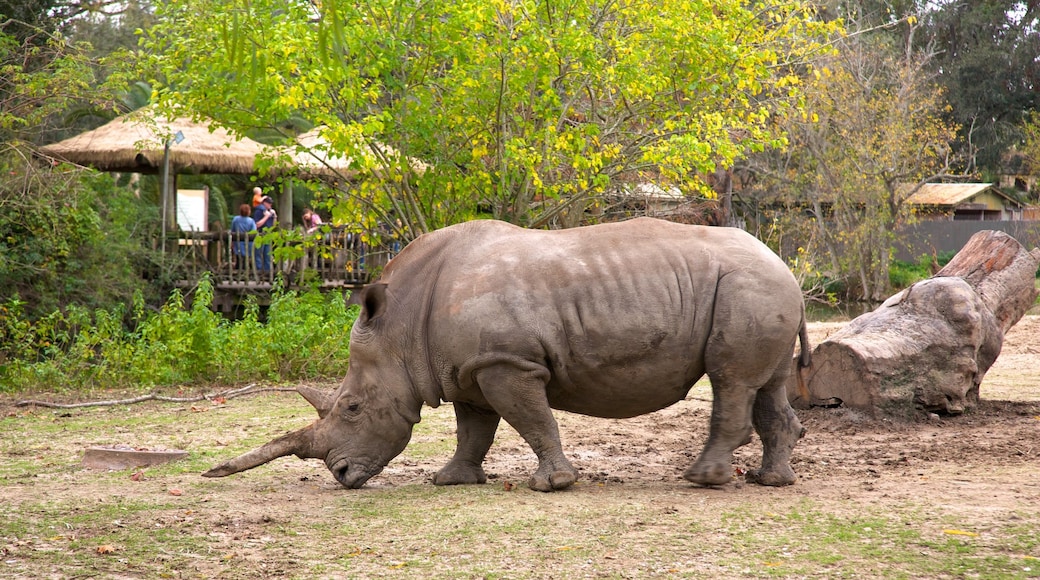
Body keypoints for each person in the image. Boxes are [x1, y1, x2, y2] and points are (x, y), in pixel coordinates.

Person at [252, 195, 277, 273]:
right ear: (264, 203)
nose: (270, 205)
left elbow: (273, 226)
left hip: (268, 235)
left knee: (268, 254)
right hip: (260, 234)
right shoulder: (259, 210)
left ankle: (268, 272)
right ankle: (258, 271)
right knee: (258, 254)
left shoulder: (269, 212)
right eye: (268, 203)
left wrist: (274, 216)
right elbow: (257, 224)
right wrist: (266, 216)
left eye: (271, 204)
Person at [229, 204, 256, 270]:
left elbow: (232, 230)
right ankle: (245, 272)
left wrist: (232, 242)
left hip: (238, 243)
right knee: (246, 259)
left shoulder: (236, 219)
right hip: (248, 243)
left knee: (238, 259)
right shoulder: (251, 221)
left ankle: (238, 271)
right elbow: (254, 232)